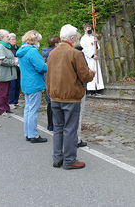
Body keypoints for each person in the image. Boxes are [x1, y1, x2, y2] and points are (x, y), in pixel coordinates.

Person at [46, 24, 95, 169]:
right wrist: (92, 72)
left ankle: (57, 158)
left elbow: (48, 76)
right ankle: (69, 160)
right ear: (72, 38)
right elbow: (85, 76)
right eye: (76, 38)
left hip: (55, 96)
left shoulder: (53, 53)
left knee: (58, 128)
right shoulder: (75, 53)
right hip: (71, 96)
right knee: (70, 129)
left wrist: (49, 92)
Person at [17, 30, 48, 143]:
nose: (39, 43)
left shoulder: (22, 50)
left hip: (25, 82)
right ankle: (34, 135)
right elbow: (41, 68)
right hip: (34, 82)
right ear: (34, 40)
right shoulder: (32, 51)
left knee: (28, 109)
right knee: (33, 110)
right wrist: (46, 65)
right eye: (38, 41)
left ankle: (28, 133)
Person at [0, 29, 18, 117]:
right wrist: (13, 62)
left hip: (8, 73)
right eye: (7, 36)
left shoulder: (6, 46)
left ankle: (6, 109)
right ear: (2, 37)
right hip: (2, 73)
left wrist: (14, 59)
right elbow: (1, 60)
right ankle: (1, 111)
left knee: (7, 93)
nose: (9, 37)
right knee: (2, 94)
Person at [42, 36, 60, 131]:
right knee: (54, 102)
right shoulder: (55, 53)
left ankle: (50, 124)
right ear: (56, 44)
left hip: (46, 79)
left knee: (49, 103)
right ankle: (55, 124)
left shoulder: (44, 52)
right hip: (53, 79)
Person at [80, 23, 104, 95]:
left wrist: (96, 42)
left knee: (97, 72)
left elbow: (97, 48)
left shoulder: (93, 37)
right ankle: (91, 90)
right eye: (88, 28)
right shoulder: (83, 39)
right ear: (85, 29)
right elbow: (84, 49)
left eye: (90, 28)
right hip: (89, 59)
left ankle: (98, 88)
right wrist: (92, 55)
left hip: (95, 58)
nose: (90, 29)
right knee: (91, 73)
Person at [73, 32, 88, 148]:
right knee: (78, 114)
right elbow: (84, 73)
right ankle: (76, 139)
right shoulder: (78, 53)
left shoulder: (57, 52)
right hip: (78, 88)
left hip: (65, 89)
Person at [8, 33, 21, 109]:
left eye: (15, 39)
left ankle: (16, 101)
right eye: (12, 39)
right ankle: (11, 102)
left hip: (18, 69)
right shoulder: (8, 48)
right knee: (12, 86)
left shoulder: (17, 47)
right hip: (11, 69)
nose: (14, 40)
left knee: (17, 85)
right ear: (9, 40)